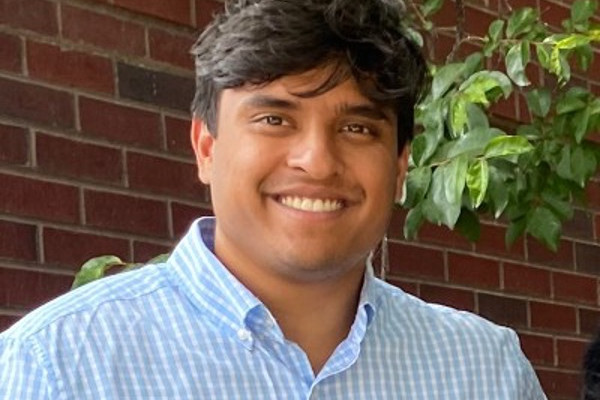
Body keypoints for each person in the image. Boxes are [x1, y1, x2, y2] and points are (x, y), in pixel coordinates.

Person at [0, 0, 546, 398]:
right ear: (207, 147)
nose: (317, 160)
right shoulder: (59, 367)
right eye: (274, 119)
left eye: (358, 129)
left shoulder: (486, 370)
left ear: (401, 164)